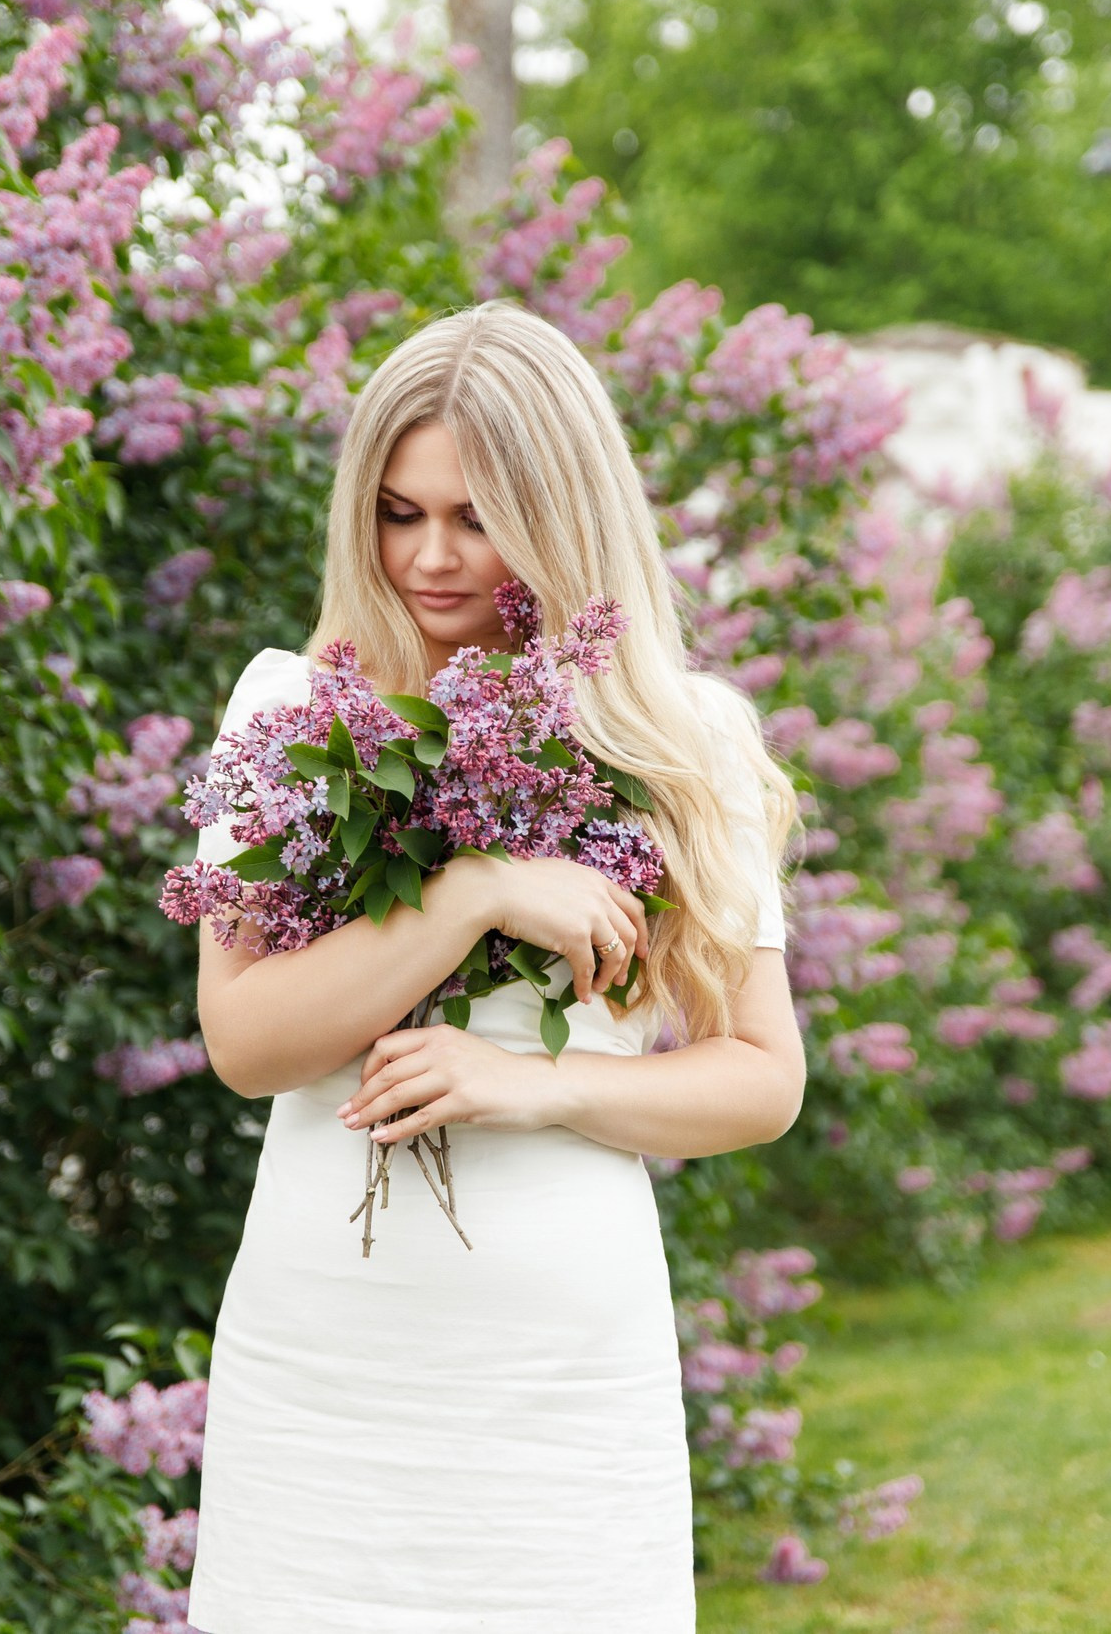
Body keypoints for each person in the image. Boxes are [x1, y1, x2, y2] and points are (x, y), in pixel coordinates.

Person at [184, 300, 804, 1633]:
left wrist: (541, 1089)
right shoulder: (293, 713)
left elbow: (760, 1079)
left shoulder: (682, 739)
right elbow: (245, 1045)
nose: (434, 557)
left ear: (561, 512)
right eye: (400, 514)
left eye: (475, 517)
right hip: (323, 1373)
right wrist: (471, 892)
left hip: (563, 1389)